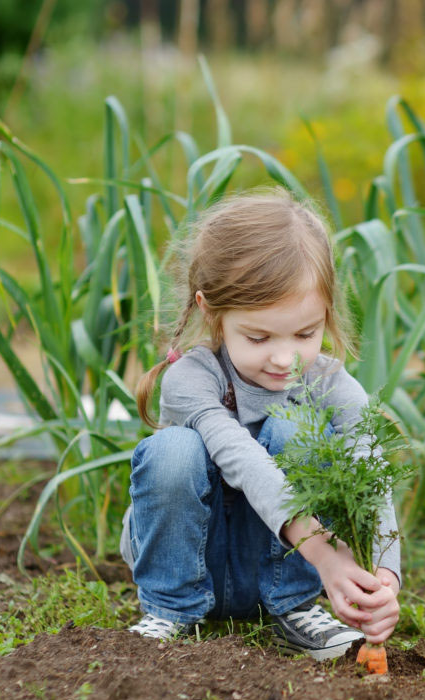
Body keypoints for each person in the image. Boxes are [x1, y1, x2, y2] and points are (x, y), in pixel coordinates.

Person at [120, 189, 400, 661]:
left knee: (300, 431)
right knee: (174, 450)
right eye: (259, 336)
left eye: (306, 333)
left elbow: (370, 471)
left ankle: (294, 610)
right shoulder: (192, 378)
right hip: (197, 561)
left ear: (326, 314)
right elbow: (243, 459)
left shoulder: (331, 383)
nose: (284, 357)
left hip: (280, 572)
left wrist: (385, 577)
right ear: (212, 311)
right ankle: (169, 612)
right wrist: (324, 552)